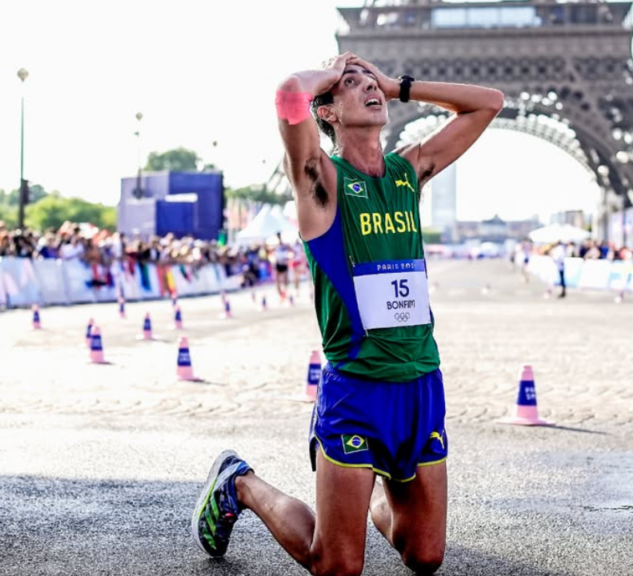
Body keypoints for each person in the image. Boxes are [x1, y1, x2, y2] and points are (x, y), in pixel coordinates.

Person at [190, 52, 502, 574]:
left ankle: (362, 497)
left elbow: (489, 103)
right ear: (328, 112)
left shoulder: (407, 171)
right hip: (357, 388)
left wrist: (396, 84)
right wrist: (332, 75)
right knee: (337, 566)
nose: (368, 89)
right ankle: (239, 483)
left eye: (369, 84)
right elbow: (290, 95)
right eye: (351, 86)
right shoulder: (321, 182)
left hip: (420, 382)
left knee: (425, 556)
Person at [272, 232, 293, 298]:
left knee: (285, 279)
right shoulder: (275, 246)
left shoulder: (285, 245)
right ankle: (280, 293)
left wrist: (288, 258)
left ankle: (285, 292)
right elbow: (272, 253)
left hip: (284, 263)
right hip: (278, 264)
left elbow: (291, 251)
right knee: (277, 280)